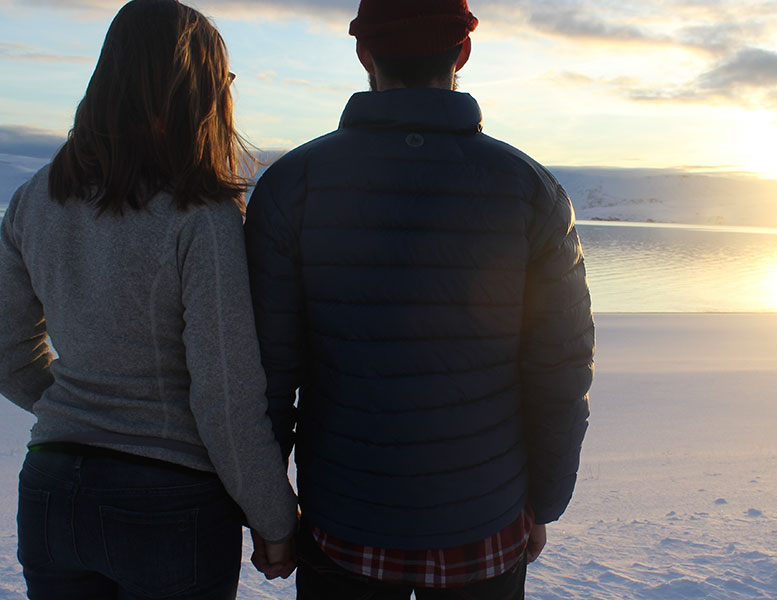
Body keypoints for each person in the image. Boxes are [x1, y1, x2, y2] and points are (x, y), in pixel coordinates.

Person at [244, 0, 594, 597]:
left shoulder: (291, 186)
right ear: (462, 51)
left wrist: (270, 516)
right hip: (485, 525)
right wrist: (543, 500)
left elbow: (266, 377)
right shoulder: (531, 191)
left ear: (364, 54)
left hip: (343, 528)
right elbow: (559, 369)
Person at [0, 1, 297, 597]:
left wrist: (77, 413)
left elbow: (6, 349)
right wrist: (274, 519)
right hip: (167, 504)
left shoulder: (36, 198)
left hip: (51, 492)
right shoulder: (201, 217)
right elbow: (225, 396)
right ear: (196, 91)